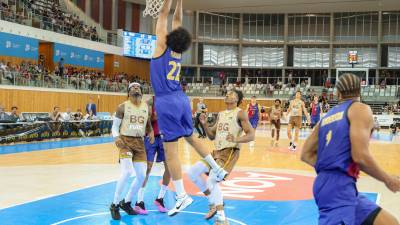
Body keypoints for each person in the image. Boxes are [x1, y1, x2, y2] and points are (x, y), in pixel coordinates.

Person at [150, 0, 227, 216]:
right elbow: (177, 20)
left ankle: (182, 196)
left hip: (165, 100)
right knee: (192, 137)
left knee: (170, 151)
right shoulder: (177, 52)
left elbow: (164, 15)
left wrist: (167, 2)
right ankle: (217, 167)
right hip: (182, 99)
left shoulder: (161, 47)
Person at [301, 73, 400, 225]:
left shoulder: (326, 118)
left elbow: (305, 154)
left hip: (334, 185)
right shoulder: (359, 109)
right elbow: (360, 156)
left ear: (337, 93)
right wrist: (388, 179)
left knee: (390, 223)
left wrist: (330, 166)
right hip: (338, 188)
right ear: (360, 91)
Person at [188, 90, 255, 225]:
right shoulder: (221, 114)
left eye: (231, 93)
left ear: (237, 99)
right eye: (227, 93)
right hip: (216, 152)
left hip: (229, 152)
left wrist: (236, 138)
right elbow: (211, 135)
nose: (227, 94)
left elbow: (251, 135)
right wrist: (204, 123)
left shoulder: (240, 113)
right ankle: (213, 202)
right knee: (192, 172)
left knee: (212, 180)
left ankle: (222, 218)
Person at [109, 83, 155, 220]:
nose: (136, 88)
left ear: (141, 91)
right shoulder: (122, 107)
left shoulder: (146, 107)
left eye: (138, 87)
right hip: (125, 141)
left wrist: (151, 132)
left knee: (141, 176)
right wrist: (116, 137)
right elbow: (114, 126)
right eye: (133, 87)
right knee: (127, 171)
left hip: (140, 143)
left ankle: (126, 202)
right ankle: (114, 204)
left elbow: (148, 125)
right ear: (128, 92)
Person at [135, 96, 170, 214]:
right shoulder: (151, 101)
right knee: (147, 169)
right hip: (151, 137)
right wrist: (155, 116)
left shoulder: (170, 101)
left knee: (170, 168)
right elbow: (147, 118)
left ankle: (160, 198)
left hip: (165, 138)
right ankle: (139, 202)